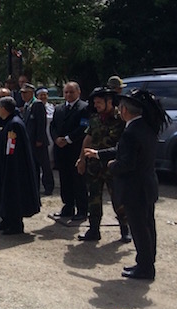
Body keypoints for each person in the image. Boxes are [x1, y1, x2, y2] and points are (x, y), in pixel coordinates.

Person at [87, 89, 169, 280]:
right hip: (147, 185)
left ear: (125, 110)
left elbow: (126, 163)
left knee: (140, 229)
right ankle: (147, 263)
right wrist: (98, 154)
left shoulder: (131, 132)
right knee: (147, 226)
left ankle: (145, 268)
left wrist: (111, 166)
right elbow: (122, 150)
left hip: (135, 189)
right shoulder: (146, 126)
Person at [77, 87, 128, 242]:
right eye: (95, 103)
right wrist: (81, 159)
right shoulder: (95, 119)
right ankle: (93, 230)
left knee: (118, 198)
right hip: (94, 166)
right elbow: (88, 138)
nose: (96, 105)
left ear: (109, 101)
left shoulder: (121, 119)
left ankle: (125, 229)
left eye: (99, 102)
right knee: (94, 198)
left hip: (113, 165)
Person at [0, 97, 40, 234]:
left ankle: (15, 224)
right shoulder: (7, 122)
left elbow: (12, 148)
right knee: (4, 193)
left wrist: (9, 164)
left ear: (3, 109)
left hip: (13, 167)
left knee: (13, 194)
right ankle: (6, 220)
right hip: (4, 164)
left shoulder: (14, 124)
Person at [50, 81, 89, 223]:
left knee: (78, 180)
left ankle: (82, 209)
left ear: (78, 92)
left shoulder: (84, 108)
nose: (68, 95)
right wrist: (56, 139)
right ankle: (68, 206)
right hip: (61, 151)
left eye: (71, 92)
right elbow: (53, 126)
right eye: (66, 92)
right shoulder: (59, 108)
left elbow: (84, 127)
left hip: (76, 149)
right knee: (64, 179)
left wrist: (68, 139)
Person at [20, 83, 54, 196]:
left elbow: (41, 123)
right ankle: (35, 187)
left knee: (45, 165)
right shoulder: (27, 105)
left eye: (25, 93)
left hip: (38, 141)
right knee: (33, 165)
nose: (23, 95)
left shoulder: (37, 104)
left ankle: (48, 186)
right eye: (22, 93)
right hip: (30, 141)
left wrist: (39, 139)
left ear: (31, 93)